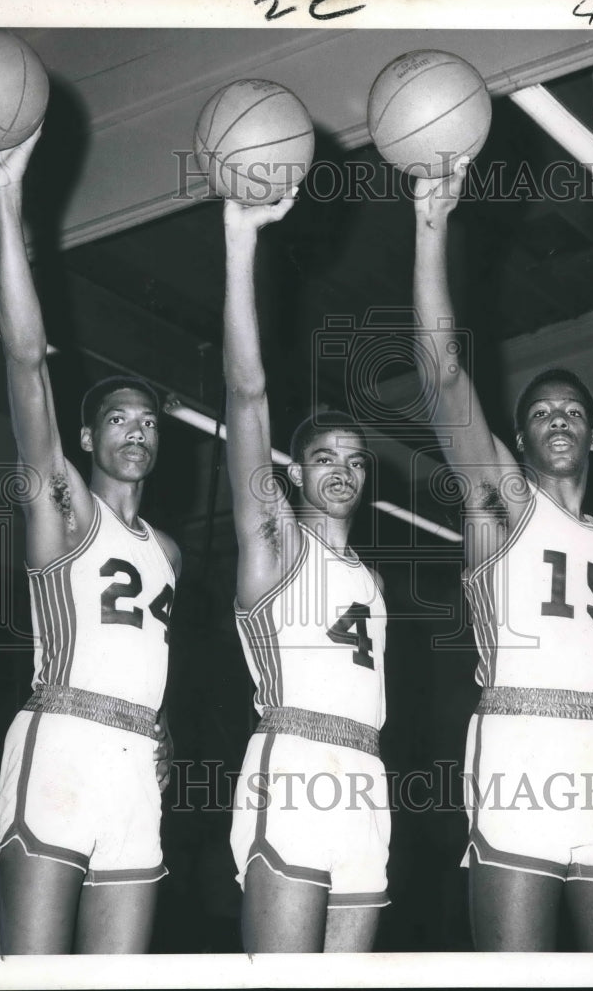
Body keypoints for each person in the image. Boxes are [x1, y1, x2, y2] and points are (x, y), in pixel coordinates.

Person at [0, 125, 181, 954]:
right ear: (87, 440)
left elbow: (140, 652)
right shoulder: (66, 508)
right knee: (33, 975)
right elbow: (24, 362)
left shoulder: (169, 551)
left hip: (135, 766)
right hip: (61, 748)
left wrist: (161, 726)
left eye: (148, 421)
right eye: (118, 418)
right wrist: (8, 203)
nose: (136, 431)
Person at [411, 157, 593, 951]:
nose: (557, 416)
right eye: (540, 411)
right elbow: (442, 372)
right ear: (518, 440)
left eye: (571, 410)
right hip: (520, 754)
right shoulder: (503, 505)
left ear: (592, 434)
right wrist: (430, 222)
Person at [221, 193, 390, 952]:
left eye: (356, 461)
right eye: (324, 458)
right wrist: (240, 240)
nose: (343, 471)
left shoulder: (371, 580)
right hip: (290, 769)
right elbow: (247, 396)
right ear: (294, 475)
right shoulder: (275, 544)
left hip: (366, 776)